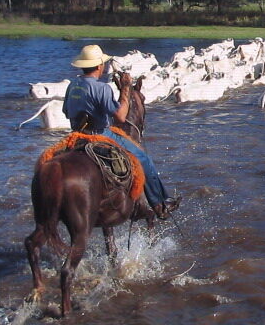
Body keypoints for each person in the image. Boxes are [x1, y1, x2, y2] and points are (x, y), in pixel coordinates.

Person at [62, 44, 180, 219]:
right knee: (143, 159)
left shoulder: (72, 85)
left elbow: (66, 112)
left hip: (76, 135)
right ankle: (160, 203)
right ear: (99, 66)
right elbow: (121, 117)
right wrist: (125, 88)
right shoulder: (102, 88)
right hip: (99, 135)